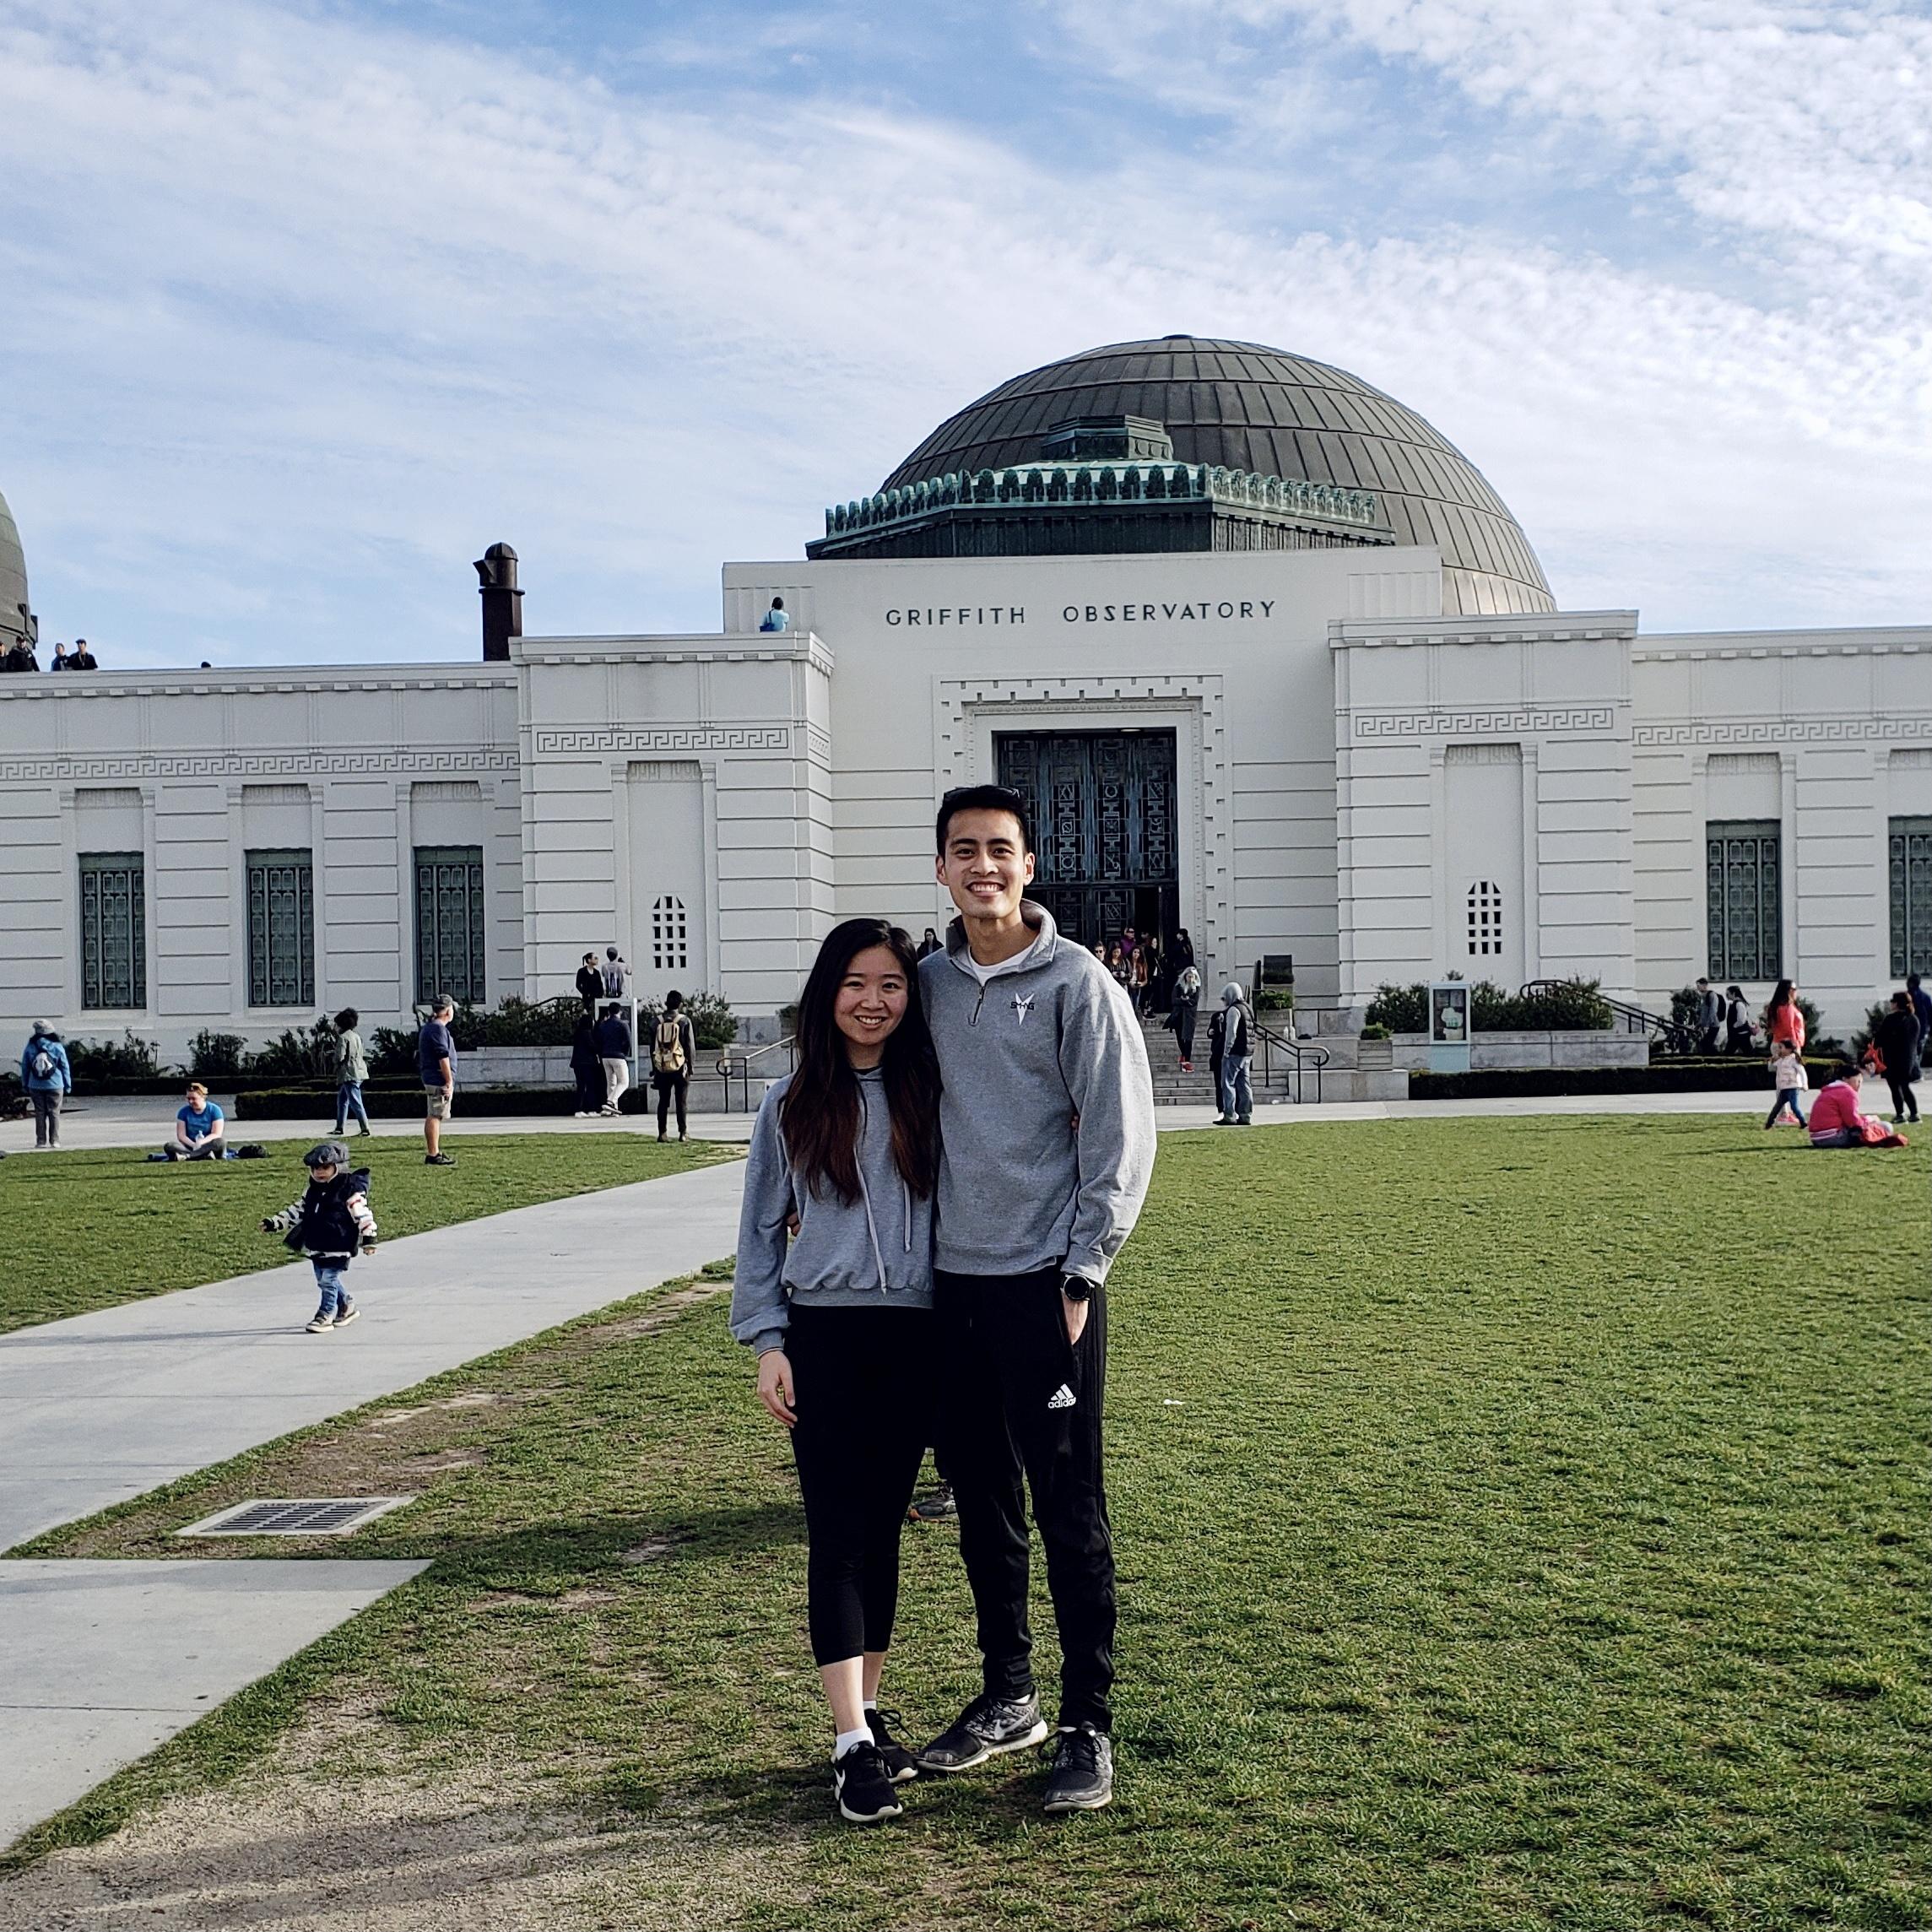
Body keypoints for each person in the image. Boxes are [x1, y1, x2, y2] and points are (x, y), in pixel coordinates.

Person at [913, 783, 1155, 1816]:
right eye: (964, 851)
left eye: (1000, 850)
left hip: (1044, 1291)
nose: (983, 867)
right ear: (941, 869)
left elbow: (1119, 1134)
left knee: (1069, 1509)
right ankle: (1008, 1695)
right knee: (981, 1507)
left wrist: (1082, 1269)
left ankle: (1088, 1721)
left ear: (1028, 866)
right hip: (947, 1291)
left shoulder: (1077, 982)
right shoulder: (923, 983)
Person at [729, 917, 940, 1825]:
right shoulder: (789, 1102)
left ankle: (871, 1708)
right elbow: (757, 1234)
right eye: (856, 983)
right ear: (828, 993)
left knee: (886, 1529)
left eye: (891, 985)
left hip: (919, 1337)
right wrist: (768, 1341)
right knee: (839, 1533)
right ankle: (849, 1740)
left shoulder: (934, 1091)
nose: (873, 1001)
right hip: (826, 1336)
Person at [260, 1141, 376, 1332]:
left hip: (339, 1243)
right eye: (315, 1168)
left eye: (325, 1167)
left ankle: (325, 1315)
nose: (319, 1172)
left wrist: (369, 1238)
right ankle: (346, 1305)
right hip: (317, 1242)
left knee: (328, 1281)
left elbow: (362, 1214)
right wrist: (274, 1223)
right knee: (324, 1279)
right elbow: (297, 1211)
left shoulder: (349, 1191)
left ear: (338, 1167)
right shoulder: (312, 1190)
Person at [1807, 1063, 1907, 1149]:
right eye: (1858, 1081)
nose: (1859, 1085)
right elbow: (1853, 1122)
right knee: (1886, 1126)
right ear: (1845, 1079)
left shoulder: (1828, 1091)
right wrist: (1870, 1119)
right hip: (1833, 1138)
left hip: (1817, 1139)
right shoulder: (1847, 1092)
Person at [649, 989, 696, 1141]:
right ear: (680, 1004)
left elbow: (652, 1047)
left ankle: (662, 1133)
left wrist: (654, 1066)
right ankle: (683, 1133)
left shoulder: (656, 1022)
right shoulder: (684, 1021)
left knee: (663, 1101)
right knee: (681, 1100)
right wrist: (690, 1065)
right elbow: (689, 1046)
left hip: (662, 1066)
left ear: (666, 1003)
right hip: (680, 1065)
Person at [419, 994, 457, 1166]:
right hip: (437, 1078)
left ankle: (434, 1152)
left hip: (432, 1076)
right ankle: (433, 1154)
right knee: (435, 1115)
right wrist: (449, 1082)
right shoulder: (437, 1029)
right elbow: (443, 1056)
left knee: (435, 1115)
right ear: (448, 1010)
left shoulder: (430, 1027)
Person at [19, 1021, 72, 1149]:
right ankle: (55, 1141)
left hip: (35, 1085)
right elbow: (64, 1066)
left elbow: (25, 1066)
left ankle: (41, 1141)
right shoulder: (57, 1046)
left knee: (40, 1113)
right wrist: (68, 1084)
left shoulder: (31, 1046)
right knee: (54, 1112)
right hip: (55, 1085)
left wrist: (25, 1083)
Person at [1873, 991, 1923, 1124]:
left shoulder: (1891, 1019)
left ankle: (1900, 1114)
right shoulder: (1914, 1019)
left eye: (1893, 1001)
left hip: (1893, 1059)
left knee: (1895, 1087)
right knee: (1905, 1086)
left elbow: (1880, 1039)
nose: (1891, 1004)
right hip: (1909, 1060)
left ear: (1897, 1004)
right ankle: (1914, 1113)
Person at [1210, 982, 1253, 1126]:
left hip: (1234, 1052)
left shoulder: (1233, 1010)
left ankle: (1229, 1115)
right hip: (1247, 1052)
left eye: (1225, 997)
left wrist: (1226, 1051)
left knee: (1228, 1084)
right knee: (1244, 1085)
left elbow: (1231, 1033)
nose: (1224, 1001)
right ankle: (1245, 1115)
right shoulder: (1248, 1008)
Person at [332, 1007, 371, 1137]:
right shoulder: (356, 1036)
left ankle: (365, 1128)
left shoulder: (343, 1038)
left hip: (349, 1073)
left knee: (355, 1101)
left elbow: (339, 1057)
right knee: (342, 1099)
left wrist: (333, 1060)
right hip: (359, 1070)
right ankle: (339, 1127)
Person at [165, 1080, 227, 1160]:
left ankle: (188, 1157)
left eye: (194, 1099)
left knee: (220, 1142)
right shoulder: (183, 1112)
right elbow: (181, 1136)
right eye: (188, 1099)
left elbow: (216, 1134)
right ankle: (201, 1155)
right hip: (190, 1147)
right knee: (169, 1146)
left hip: (208, 1145)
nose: (191, 1101)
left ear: (202, 1097)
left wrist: (201, 1142)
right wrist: (194, 1145)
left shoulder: (215, 1110)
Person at [595, 1001, 632, 1115]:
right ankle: (611, 1102)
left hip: (605, 1056)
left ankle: (612, 1110)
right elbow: (628, 1041)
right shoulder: (622, 1024)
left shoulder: (603, 1025)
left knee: (611, 1083)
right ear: (619, 1012)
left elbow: (599, 1041)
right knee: (624, 1082)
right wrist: (625, 1053)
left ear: (609, 1012)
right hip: (618, 1056)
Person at [1765, 1039, 1808, 1128]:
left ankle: (1803, 1122)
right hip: (1784, 1088)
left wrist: (1804, 1084)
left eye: (1781, 1048)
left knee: (1794, 1107)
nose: (1779, 1050)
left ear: (1789, 1050)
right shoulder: (1781, 1060)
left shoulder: (1793, 1060)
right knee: (1777, 1107)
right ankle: (1769, 1123)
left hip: (1793, 1087)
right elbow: (1771, 1068)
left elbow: (1802, 1072)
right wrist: (1772, 1060)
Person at [570, 1010, 605, 1117]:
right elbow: (593, 1047)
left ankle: (578, 1109)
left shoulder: (578, 1033)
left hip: (578, 1063)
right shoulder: (587, 1033)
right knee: (590, 1086)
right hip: (587, 1063)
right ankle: (591, 1109)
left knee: (581, 1087)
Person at [1167, 964, 1201, 1072]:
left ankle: (1187, 1060)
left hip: (1190, 1016)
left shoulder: (1196, 989)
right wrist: (1183, 1000)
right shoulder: (1178, 987)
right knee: (1180, 1037)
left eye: (1192, 977)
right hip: (1178, 1015)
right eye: (1189, 976)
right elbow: (1173, 1000)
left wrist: (1186, 1001)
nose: (1190, 979)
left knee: (1188, 1038)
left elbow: (1194, 1002)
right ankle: (1184, 1055)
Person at [1766, 980, 1805, 1058]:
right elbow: (1789, 1027)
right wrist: (1794, 1045)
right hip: (1787, 1046)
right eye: (1794, 989)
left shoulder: (1781, 1006)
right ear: (1789, 991)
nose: (1796, 992)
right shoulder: (1786, 1007)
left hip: (1782, 1043)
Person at [1724, 985, 1755, 1054]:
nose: (1726, 996)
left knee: (1728, 1052)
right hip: (1738, 1034)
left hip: (1739, 1034)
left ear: (1733, 993)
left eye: (1728, 994)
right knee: (1748, 1051)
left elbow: (1741, 1019)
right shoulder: (1736, 1003)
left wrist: (1734, 1026)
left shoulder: (1739, 1004)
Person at [1694, 977, 1722, 1054]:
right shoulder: (1703, 996)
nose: (1698, 988)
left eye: (1699, 985)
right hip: (1707, 1025)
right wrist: (1699, 1024)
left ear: (1705, 985)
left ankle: (1716, 1060)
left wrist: (1707, 1025)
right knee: (1706, 1045)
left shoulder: (1711, 995)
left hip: (1713, 1025)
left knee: (1706, 1044)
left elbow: (1713, 1011)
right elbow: (1704, 1013)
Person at [1909, 972, 1932, 1064]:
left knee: (1912, 1050)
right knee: (1918, 1051)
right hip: (1922, 1028)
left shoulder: (1909, 996)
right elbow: (1930, 1014)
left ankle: (1914, 1069)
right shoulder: (1925, 997)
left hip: (1912, 1028)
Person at [575, 951, 603, 1015]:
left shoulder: (597, 972)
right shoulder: (582, 971)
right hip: (587, 998)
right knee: (588, 1014)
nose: (597, 960)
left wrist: (601, 995)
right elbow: (578, 984)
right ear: (589, 960)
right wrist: (585, 993)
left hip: (597, 998)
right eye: (595, 958)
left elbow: (600, 984)